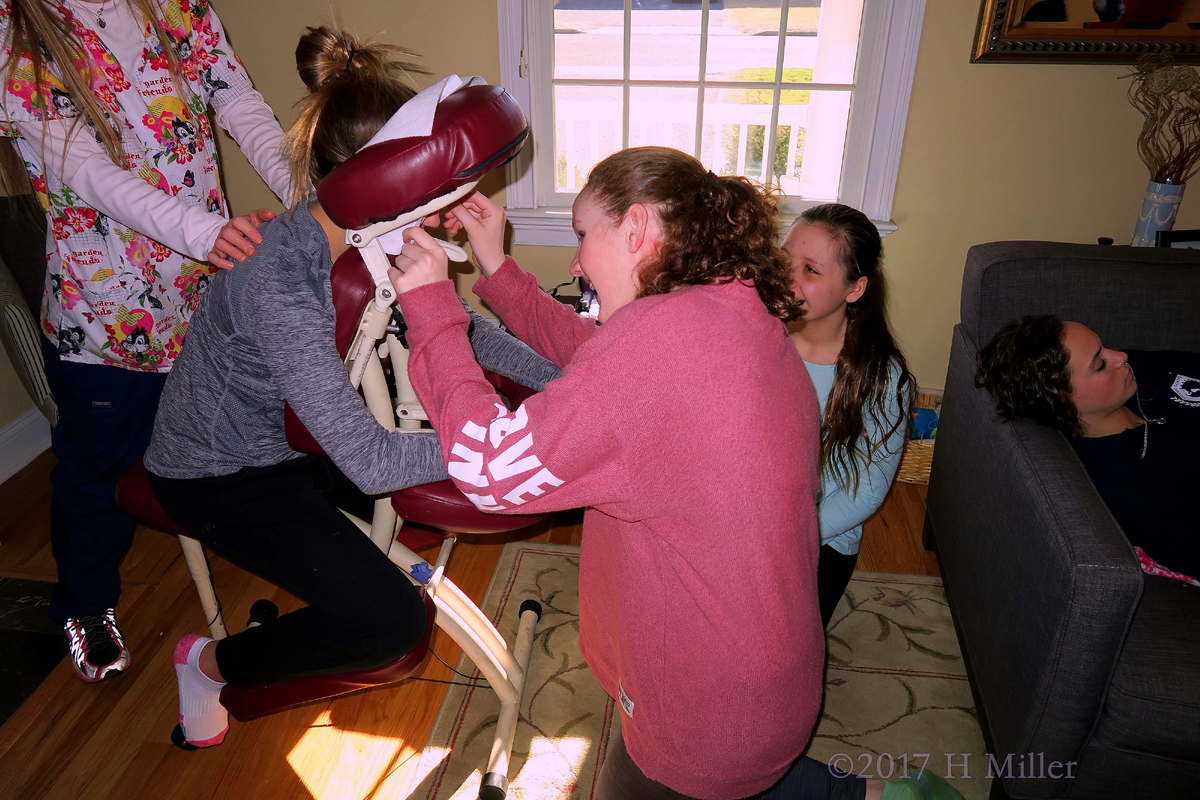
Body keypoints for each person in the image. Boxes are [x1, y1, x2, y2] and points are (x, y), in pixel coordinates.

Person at [389, 148, 963, 800]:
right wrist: (495, 264)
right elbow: (595, 360)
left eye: (584, 235)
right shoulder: (727, 310)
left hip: (705, 704)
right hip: (762, 676)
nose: (575, 263)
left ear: (635, 228)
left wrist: (432, 308)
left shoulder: (660, 345)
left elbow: (488, 468)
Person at [142, 26, 561, 751]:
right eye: (437, 192)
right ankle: (208, 664)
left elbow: (461, 326)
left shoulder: (370, 240)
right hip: (215, 475)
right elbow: (372, 461)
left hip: (288, 443)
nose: (451, 209)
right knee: (391, 621)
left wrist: (567, 387)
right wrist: (514, 439)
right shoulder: (280, 280)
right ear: (383, 183)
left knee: (419, 501)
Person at [1, 0, 291, 683]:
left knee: (232, 434)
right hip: (106, 319)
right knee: (97, 473)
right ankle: (86, 605)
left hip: (203, 298)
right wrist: (206, 234)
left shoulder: (173, 5)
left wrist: (304, 190)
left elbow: (239, 99)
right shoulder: (15, 34)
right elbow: (90, 175)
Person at [976, 314, 1199, 585]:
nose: (1121, 356)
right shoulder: (1126, 488)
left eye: (1105, 347)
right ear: (1063, 400)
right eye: (1100, 364)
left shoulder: (1136, 374)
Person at [782, 205, 915, 628]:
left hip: (821, 540)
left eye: (810, 270)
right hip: (743, 524)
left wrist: (787, 533)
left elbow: (867, 491)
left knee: (791, 643)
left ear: (854, 289)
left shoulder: (879, 377)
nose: (788, 278)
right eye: (784, 260)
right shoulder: (755, 339)